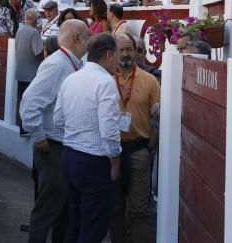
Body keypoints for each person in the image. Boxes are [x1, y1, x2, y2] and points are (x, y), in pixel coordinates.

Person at [20, 19, 91, 243]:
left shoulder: (71, 63)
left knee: (63, 211)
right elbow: (30, 102)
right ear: (78, 38)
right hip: (53, 147)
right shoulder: (58, 64)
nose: (90, 39)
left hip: (63, 147)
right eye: (87, 35)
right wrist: (38, 135)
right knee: (48, 210)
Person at [55, 32, 122, 243]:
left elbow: (57, 119)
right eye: (118, 54)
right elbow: (109, 130)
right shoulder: (106, 82)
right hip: (94, 161)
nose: (119, 60)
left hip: (69, 157)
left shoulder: (71, 79)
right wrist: (115, 162)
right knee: (93, 228)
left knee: (74, 222)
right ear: (109, 55)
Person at [109, 33, 159, 243]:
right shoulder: (105, 79)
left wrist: (150, 148)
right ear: (112, 53)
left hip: (139, 151)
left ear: (135, 51)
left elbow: (157, 118)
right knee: (115, 207)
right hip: (112, 152)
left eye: (129, 49)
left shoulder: (150, 81)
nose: (126, 54)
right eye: (121, 50)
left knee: (139, 210)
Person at [15, 8, 44, 132]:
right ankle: (26, 128)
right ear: (36, 20)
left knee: (21, 100)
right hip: (31, 74)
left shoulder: (19, 30)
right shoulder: (34, 32)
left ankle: (22, 127)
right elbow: (38, 52)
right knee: (29, 102)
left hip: (20, 72)